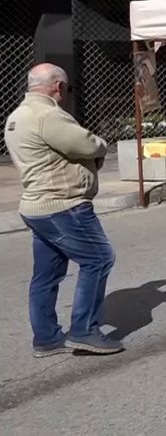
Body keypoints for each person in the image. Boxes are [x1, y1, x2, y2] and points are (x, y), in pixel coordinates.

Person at [5, 64, 122, 356]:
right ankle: (85, 330)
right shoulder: (48, 115)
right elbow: (84, 143)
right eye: (67, 89)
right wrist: (102, 145)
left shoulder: (16, 117)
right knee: (99, 258)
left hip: (36, 205)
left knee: (47, 274)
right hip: (63, 205)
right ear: (58, 86)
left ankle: (46, 338)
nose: (66, 94)